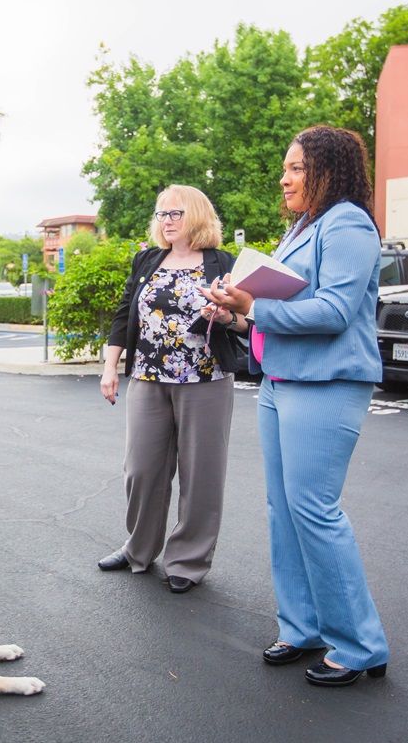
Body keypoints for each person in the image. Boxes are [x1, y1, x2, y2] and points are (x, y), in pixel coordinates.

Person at [203, 125, 389, 687]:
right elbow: (274, 307)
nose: (284, 178)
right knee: (282, 510)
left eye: (297, 169)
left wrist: (253, 306)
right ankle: (303, 626)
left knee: (314, 509)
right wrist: (232, 314)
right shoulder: (303, 228)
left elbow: (334, 310)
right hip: (283, 380)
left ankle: (359, 646)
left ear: (329, 172)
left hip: (329, 382)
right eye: (285, 169)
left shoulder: (349, 223)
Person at [97, 185, 250, 593]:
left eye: (174, 214)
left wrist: (225, 315)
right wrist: (110, 367)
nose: (165, 221)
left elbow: (246, 321)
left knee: (202, 474)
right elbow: (123, 314)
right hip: (148, 378)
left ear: (196, 215)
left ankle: (188, 559)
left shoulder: (222, 261)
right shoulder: (147, 260)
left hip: (206, 378)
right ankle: (138, 549)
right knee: (142, 471)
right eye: (161, 214)